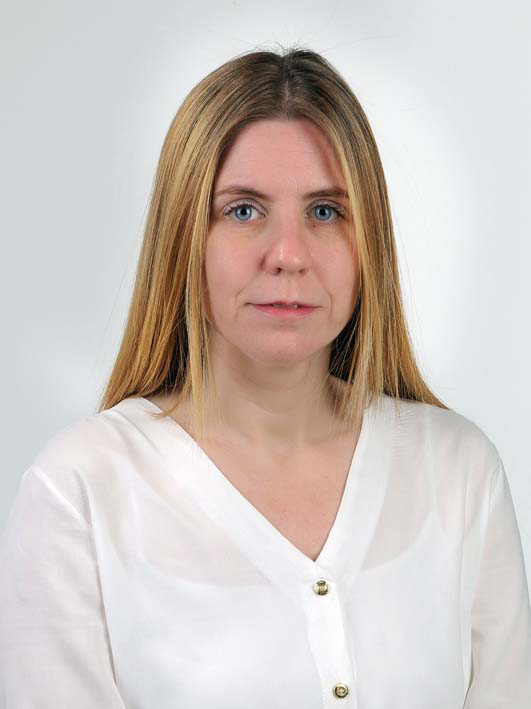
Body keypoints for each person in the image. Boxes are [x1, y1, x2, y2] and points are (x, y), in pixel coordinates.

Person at [1, 45, 530, 708]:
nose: (288, 255)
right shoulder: (81, 491)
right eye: (244, 210)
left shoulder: (459, 473)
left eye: (325, 211)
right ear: (183, 237)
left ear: (368, 240)